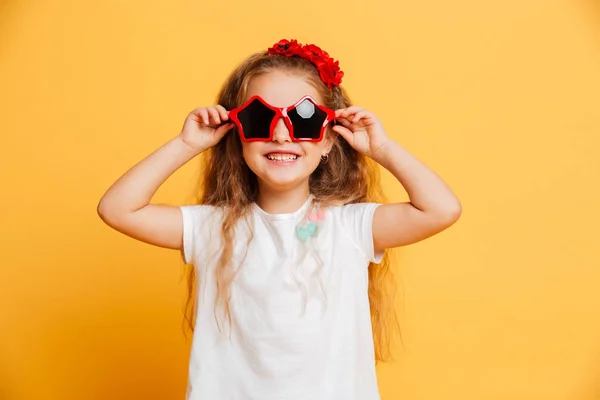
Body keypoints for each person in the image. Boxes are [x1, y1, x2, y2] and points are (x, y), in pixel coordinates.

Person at [97, 38, 462, 400]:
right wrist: (187, 145)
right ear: (237, 135)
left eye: (304, 119)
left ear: (328, 141)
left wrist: (382, 148)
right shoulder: (213, 228)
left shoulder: (349, 227)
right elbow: (117, 209)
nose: (281, 133)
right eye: (260, 118)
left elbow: (441, 209)